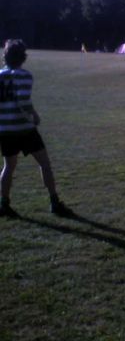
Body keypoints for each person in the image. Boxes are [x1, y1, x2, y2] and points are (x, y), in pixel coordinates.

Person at [0, 40, 73, 217]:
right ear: (23, 57)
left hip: (5, 129)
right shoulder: (25, 75)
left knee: (9, 166)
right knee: (45, 164)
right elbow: (24, 101)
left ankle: (4, 204)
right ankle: (54, 202)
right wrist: (35, 115)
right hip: (24, 129)